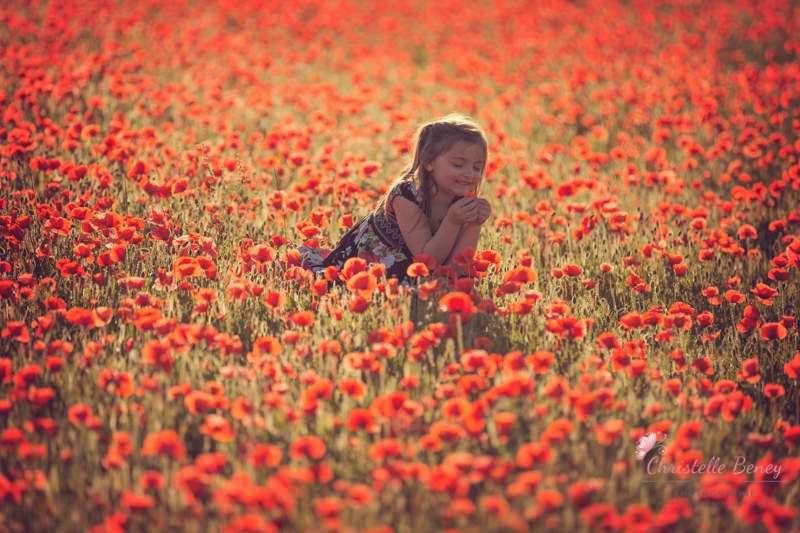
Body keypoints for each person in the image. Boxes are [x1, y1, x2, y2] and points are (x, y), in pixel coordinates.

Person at [299, 113, 492, 284]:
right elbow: (428, 260)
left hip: (416, 267)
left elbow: (456, 270)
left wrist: (474, 224)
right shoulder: (406, 197)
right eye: (458, 164)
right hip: (378, 266)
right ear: (429, 162)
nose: (470, 174)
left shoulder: (462, 199)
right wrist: (453, 221)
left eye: (477, 167)